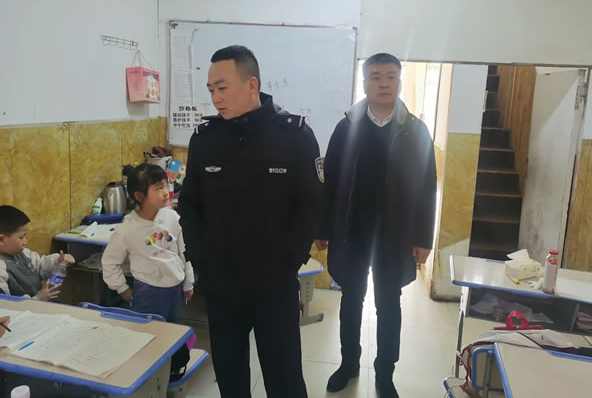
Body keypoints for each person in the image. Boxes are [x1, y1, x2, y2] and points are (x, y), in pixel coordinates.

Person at [178, 45, 322, 398]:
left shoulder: (294, 136)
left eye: (222, 88)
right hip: (222, 284)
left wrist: (289, 260)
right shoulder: (205, 139)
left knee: (285, 379)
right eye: (211, 89)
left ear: (252, 84)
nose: (215, 98)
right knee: (230, 378)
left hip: (274, 283)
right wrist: (202, 259)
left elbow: (311, 205)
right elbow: (190, 204)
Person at [315, 53, 437, 398]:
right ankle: (348, 364)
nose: (384, 84)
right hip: (351, 230)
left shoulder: (415, 130)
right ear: (365, 83)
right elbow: (330, 181)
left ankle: (385, 372)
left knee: (389, 302)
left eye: (391, 77)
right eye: (376, 77)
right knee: (351, 299)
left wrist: (423, 238)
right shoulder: (346, 127)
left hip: (395, 234)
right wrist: (323, 227)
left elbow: (427, 187)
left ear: (399, 81)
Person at [102, 164, 194, 323]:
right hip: (148, 293)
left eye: (166, 185)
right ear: (139, 196)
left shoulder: (172, 217)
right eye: (159, 188)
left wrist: (188, 283)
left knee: (172, 332)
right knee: (150, 333)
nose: (166, 192)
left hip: (175, 288)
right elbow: (109, 261)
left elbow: (184, 252)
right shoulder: (128, 228)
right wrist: (122, 288)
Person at [0, 205, 75, 300]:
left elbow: (40, 266)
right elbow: (6, 304)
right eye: (21, 237)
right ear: (1, 240)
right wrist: (39, 298)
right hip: (27, 308)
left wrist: (59, 260)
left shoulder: (23, 253)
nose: (25, 241)